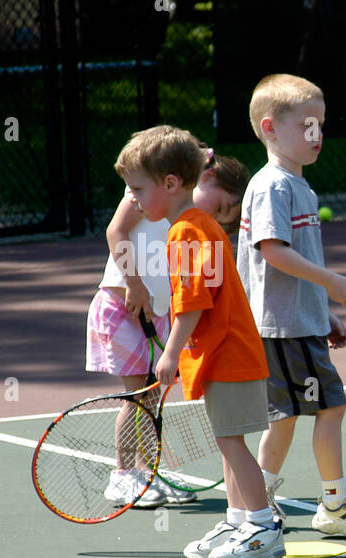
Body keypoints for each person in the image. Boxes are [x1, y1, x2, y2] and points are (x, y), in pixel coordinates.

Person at [113, 124, 282, 558]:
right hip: (221, 355)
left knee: (232, 444)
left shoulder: (187, 231)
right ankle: (238, 520)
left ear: (171, 183)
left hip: (228, 355)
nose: (133, 198)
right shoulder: (193, 226)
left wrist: (170, 353)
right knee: (229, 441)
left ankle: (263, 527)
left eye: (138, 189)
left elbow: (192, 301)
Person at [237, 73, 346, 539]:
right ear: (269, 128)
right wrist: (331, 282)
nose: (316, 133)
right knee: (331, 407)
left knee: (285, 417)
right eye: (306, 124)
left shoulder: (298, 187)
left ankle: (255, 499)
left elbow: (293, 265)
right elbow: (273, 252)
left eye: (320, 124)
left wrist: (323, 311)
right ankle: (335, 504)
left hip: (296, 324)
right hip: (283, 328)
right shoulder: (273, 186)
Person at [88, 146, 251, 508]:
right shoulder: (148, 195)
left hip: (155, 312)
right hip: (123, 307)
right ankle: (122, 475)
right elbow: (116, 231)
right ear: (204, 178)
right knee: (138, 395)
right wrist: (134, 285)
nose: (218, 216)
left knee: (150, 396)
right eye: (221, 206)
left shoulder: (186, 219)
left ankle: (149, 473)